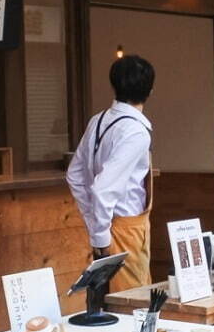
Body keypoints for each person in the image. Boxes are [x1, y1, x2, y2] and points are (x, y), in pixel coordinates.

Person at [66, 55, 156, 292]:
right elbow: (103, 188)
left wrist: (93, 222)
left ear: (113, 85)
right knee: (132, 304)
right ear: (150, 90)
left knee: (112, 304)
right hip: (127, 229)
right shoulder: (137, 131)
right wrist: (102, 237)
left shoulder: (98, 120)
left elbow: (75, 175)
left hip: (108, 225)